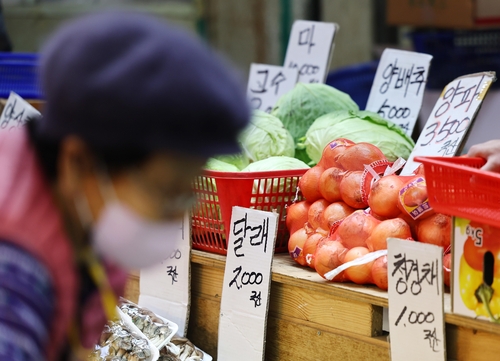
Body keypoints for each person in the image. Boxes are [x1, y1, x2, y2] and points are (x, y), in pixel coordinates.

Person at [0, 11, 249, 361]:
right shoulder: (13, 278)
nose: (180, 211)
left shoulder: (83, 218)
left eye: (187, 189)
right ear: (79, 162)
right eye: (166, 190)